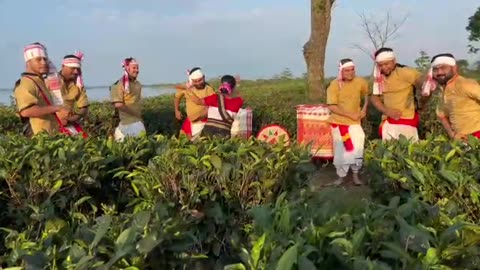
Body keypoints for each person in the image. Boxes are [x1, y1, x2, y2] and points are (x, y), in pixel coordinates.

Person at [326, 58, 368, 186]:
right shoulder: (334, 85)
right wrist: (350, 115)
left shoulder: (361, 82)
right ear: (341, 72)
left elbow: (367, 95)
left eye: (352, 70)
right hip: (340, 124)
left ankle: (355, 175)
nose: (350, 73)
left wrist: (364, 109)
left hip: (355, 124)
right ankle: (340, 177)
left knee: (358, 149)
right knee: (341, 152)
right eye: (347, 71)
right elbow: (331, 106)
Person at [13, 42, 70, 136]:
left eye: (45, 59)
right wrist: (57, 109)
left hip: (49, 135)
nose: (43, 62)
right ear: (28, 62)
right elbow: (26, 111)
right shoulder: (27, 83)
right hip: (37, 138)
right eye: (38, 59)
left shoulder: (40, 81)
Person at [370, 47, 425, 141]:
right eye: (380, 65)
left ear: (394, 61)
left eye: (386, 64)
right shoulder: (378, 77)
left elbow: (424, 86)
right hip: (388, 122)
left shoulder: (405, 72)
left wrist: (422, 103)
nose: (384, 68)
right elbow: (374, 97)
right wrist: (387, 111)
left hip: (407, 122)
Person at [423, 53, 480, 139]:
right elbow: (442, 116)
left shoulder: (465, 84)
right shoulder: (442, 90)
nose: (439, 72)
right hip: (461, 140)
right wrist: (452, 135)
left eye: (443, 68)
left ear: (454, 68)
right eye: (435, 70)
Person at [174, 67, 215, 140]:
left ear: (204, 77)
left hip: (205, 120)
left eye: (200, 80)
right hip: (190, 120)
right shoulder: (186, 88)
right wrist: (177, 110)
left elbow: (214, 104)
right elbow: (177, 97)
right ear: (192, 81)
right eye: (195, 81)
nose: (198, 83)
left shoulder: (209, 89)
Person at [110, 57, 145, 141]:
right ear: (127, 69)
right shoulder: (118, 84)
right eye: (134, 68)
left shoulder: (138, 84)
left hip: (137, 121)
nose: (137, 70)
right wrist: (134, 113)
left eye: (137, 68)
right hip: (126, 123)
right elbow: (118, 104)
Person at [60, 53, 89, 130]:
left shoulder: (78, 85)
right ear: (63, 67)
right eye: (72, 68)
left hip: (69, 122)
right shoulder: (51, 81)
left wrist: (72, 119)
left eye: (78, 69)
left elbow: (84, 107)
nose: (76, 72)